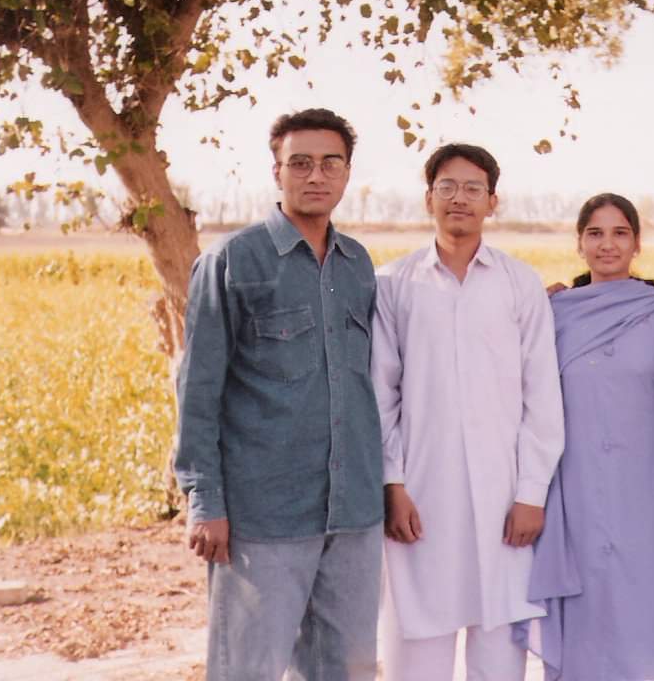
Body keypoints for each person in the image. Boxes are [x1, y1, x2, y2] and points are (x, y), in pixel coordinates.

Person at [174, 108, 384, 680]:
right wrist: (205, 501)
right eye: (300, 163)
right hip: (262, 515)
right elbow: (198, 389)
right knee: (248, 669)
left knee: (350, 669)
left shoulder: (359, 264)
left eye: (329, 164)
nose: (315, 176)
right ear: (277, 172)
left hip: (354, 512)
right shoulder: (232, 261)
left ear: (346, 174)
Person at [371, 143, 565, 680]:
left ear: (492, 201)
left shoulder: (518, 282)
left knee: (500, 657)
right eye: (447, 187)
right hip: (420, 499)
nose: (460, 199)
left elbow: (542, 396)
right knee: (417, 653)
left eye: (473, 188)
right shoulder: (393, 283)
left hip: (505, 502)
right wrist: (393, 483)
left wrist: (530, 493)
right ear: (428, 196)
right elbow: (380, 391)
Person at [522, 193, 654, 681]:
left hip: (646, 490)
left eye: (620, 233)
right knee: (585, 616)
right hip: (574, 489)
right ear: (579, 244)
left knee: (644, 616)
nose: (607, 244)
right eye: (595, 233)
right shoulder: (552, 313)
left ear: (637, 243)